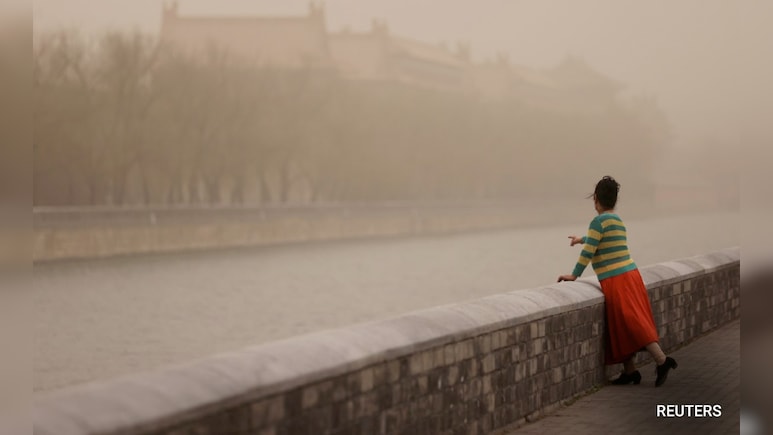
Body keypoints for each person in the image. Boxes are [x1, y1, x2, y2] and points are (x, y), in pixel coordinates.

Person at [557, 176, 678, 387]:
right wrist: (581, 239)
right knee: (621, 325)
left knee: (633, 322)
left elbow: (590, 250)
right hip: (630, 275)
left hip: (617, 279)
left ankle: (662, 360)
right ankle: (630, 372)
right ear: (614, 200)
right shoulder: (617, 220)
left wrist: (574, 275)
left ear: (596, 199)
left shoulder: (597, 221)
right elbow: (598, 239)